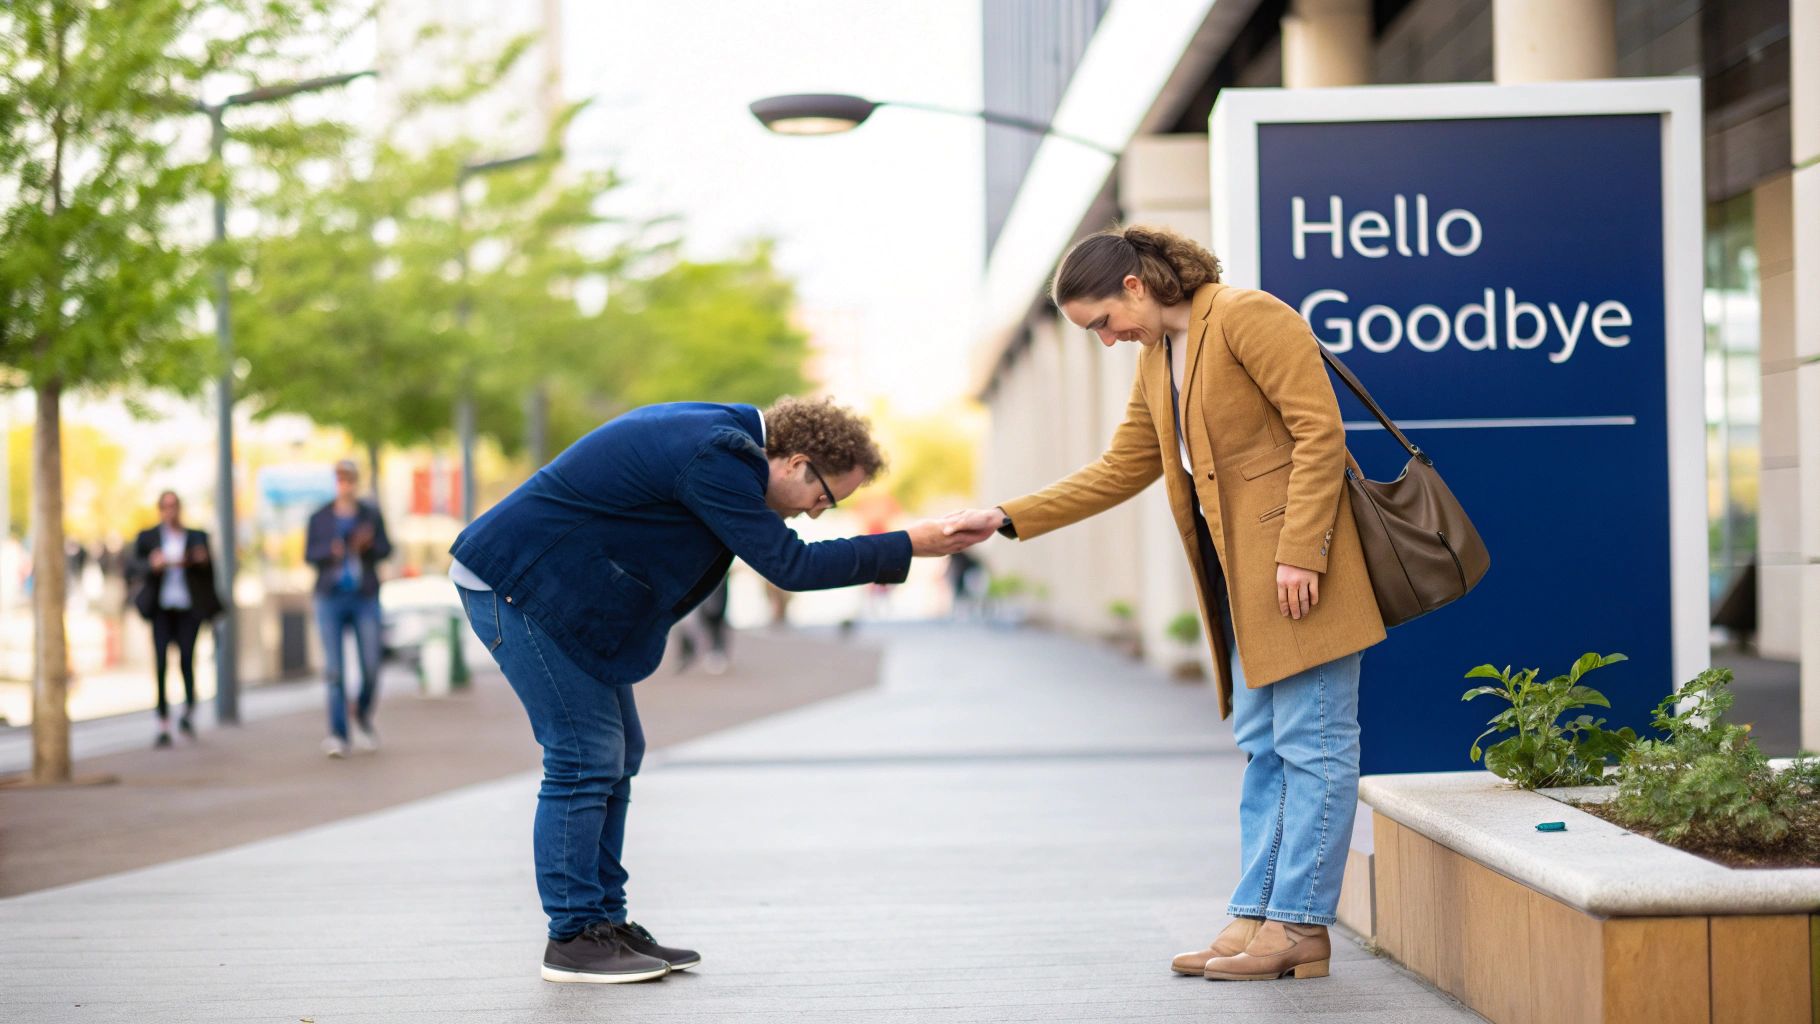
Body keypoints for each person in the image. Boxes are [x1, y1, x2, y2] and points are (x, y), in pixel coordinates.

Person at [943, 225, 1386, 983]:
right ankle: (1257, 912)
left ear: (1135, 287)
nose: (1106, 340)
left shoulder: (1247, 315)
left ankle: (1302, 925)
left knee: (1314, 745)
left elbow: (1320, 433)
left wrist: (1299, 550)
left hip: (1300, 572)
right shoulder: (1159, 358)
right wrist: (1008, 517)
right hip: (1239, 581)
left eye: (1102, 322)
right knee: (1265, 746)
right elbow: (1123, 467)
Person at [448, 396, 993, 985]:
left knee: (616, 754)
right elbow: (793, 567)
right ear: (795, 462)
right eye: (825, 497)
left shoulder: (723, 435)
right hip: (520, 587)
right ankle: (574, 937)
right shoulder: (718, 454)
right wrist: (909, 543)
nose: (815, 513)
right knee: (583, 758)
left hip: (560, 594)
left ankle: (603, 923)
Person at [304, 459, 392, 758]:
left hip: (364, 596)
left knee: (371, 665)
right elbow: (309, 554)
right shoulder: (320, 517)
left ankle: (362, 714)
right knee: (334, 670)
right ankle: (338, 734)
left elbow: (386, 549)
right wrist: (332, 550)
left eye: (350, 478)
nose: (345, 484)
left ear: (356, 480)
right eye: (340, 478)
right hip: (330, 597)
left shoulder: (370, 514)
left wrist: (367, 545)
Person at [129, 492, 223, 748]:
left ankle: (189, 711)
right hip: (161, 609)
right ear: (159, 509)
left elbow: (211, 573)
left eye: (174, 506)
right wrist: (152, 564)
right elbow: (131, 566)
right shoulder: (148, 537)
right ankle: (162, 721)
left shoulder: (196, 536)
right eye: (164, 507)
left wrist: (201, 561)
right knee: (160, 663)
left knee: (186, 660)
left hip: (188, 609)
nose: (169, 511)